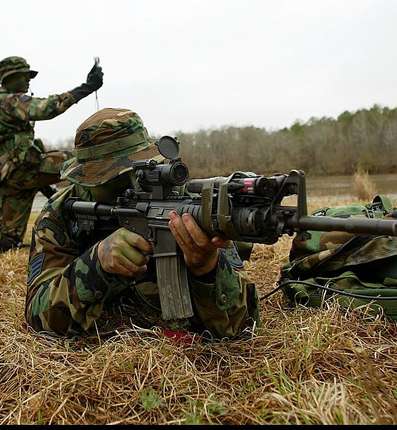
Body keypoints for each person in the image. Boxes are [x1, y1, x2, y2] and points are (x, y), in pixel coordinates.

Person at [24, 108, 260, 339]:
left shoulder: (184, 204)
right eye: (113, 178)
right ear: (85, 181)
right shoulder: (59, 215)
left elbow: (243, 326)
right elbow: (38, 315)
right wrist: (96, 263)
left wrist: (206, 269)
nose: (133, 186)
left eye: (139, 172)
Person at [0, 55, 103, 259]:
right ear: (9, 79)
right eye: (23, 76)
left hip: (9, 179)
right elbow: (47, 108)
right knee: (83, 159)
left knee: (8, 238)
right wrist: (87, 87)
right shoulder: (9, 101)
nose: (28, 80)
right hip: (22, 170)